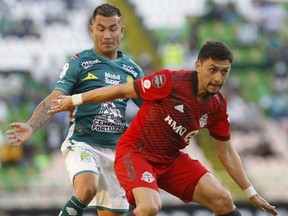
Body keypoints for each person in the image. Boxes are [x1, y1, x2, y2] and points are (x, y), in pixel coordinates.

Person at [47, 40, 278, 216]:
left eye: (224, 71)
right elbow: (119, 90)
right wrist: (75, 100)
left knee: (223, 199)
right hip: (135, 153)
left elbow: (226, 152)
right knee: (150, 206)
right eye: (213, 69)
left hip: (170, 160)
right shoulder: (170, 82)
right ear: (198, 66)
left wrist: (251, 193)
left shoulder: (217, 106)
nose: (218, 78)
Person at [6, 3, 144, 216]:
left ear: (122, 31)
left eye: (112, 28)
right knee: (87, 188)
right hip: (83, 143)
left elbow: (151, 110)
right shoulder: (79, 63)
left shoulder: (133, 70)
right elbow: (55, 98)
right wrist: (32, 125)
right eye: (101, 28)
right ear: (91, 31)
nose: (107, 35)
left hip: (117, 152)